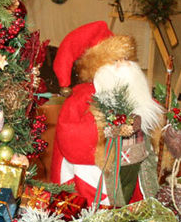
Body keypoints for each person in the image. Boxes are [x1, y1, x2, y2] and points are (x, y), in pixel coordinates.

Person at [50, 21, 163, 206]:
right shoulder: (83, 99)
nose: (125, 65)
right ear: (98, 68)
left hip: (130, 174)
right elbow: (71, 139)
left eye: (127, 59)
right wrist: (115, 131)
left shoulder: (134, 92)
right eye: (116, 61)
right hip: (90, 183)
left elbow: (152, 116)